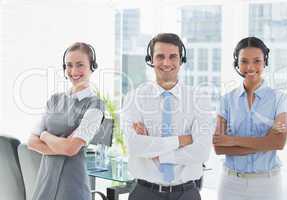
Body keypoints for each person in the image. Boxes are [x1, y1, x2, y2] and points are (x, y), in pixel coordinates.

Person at [121, 33, 212, 200]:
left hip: (187, 194)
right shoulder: (134, 98)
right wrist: (182, 140)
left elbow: (201, 151)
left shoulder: (199, 99)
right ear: (151, 59)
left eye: (173, 57)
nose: (166, 63)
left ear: (181, 60)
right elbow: (134, 146)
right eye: (160, 56)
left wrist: (157, 152)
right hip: (144, 193)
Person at [213, 37, 287, 200]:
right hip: (230, 183)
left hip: (267, 185)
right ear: (236, 63)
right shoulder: (226, 100)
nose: (250, 67)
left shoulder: (279, 98)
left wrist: (232, 140)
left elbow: (278, 142)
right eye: (244, 61)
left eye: (257, 61)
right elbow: (219, 146)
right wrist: (264, 142)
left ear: (265, 62)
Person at [27, 42, 105, 200]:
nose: (74, 71)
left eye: (80, 65)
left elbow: (71, 149)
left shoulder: (95, 105)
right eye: (69, 65)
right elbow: (31, 142)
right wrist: (62, 144)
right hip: (45, 181)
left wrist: (44, 135)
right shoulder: (54, 100)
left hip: (72, 186)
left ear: (92, 66)